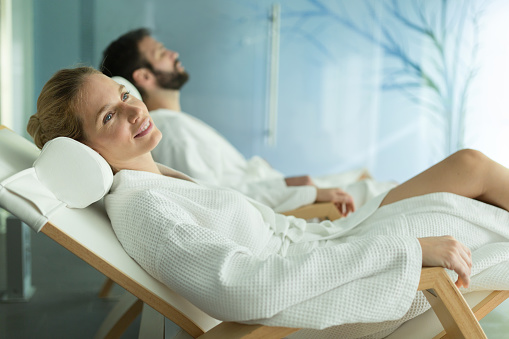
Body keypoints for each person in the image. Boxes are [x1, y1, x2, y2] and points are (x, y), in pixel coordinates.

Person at [27, 66, 509, 338]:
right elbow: (246, 291)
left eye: (124, 94)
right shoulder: (144, 211)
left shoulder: (157, 184)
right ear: (84, 152)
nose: (135, 109)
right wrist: (404, 250)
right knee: (475, 210)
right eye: (110, 114)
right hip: (322, 288)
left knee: (468, 165)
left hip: (325, 244)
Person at [99, 28, 397, 215]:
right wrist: (292, 186)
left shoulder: (175, 124)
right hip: (280, 203)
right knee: (384, 190)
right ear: (145, 77)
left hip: (271, 188)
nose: (174, 54)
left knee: (366, 176)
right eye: (162, 53)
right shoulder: (171, 132)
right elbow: (217, 198)